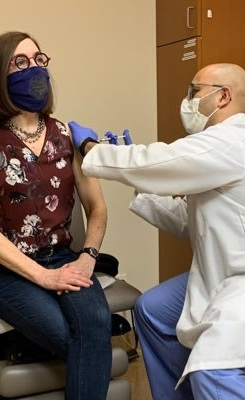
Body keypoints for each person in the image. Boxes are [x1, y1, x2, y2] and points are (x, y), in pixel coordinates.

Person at [68, 63, 245, 399]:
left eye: (195, 91)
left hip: (239, 278)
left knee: (213, 368)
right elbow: (190, 221)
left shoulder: (232, 140)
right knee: (152, 309)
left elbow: (155, 160)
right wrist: (146, 189)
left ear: (223, 96)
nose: (188, 100)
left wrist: (91, 148)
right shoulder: (217, 148)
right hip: (221, 271)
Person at [0, 31, 112, 399]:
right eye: (21, 63)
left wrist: (88, 257)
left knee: (94, 326)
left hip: (65, 258)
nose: (35, 70)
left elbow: (98, 207)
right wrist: (45, 278)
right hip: (3, 269)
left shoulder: (66, 134)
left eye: (39, 60)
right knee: (78, 338)